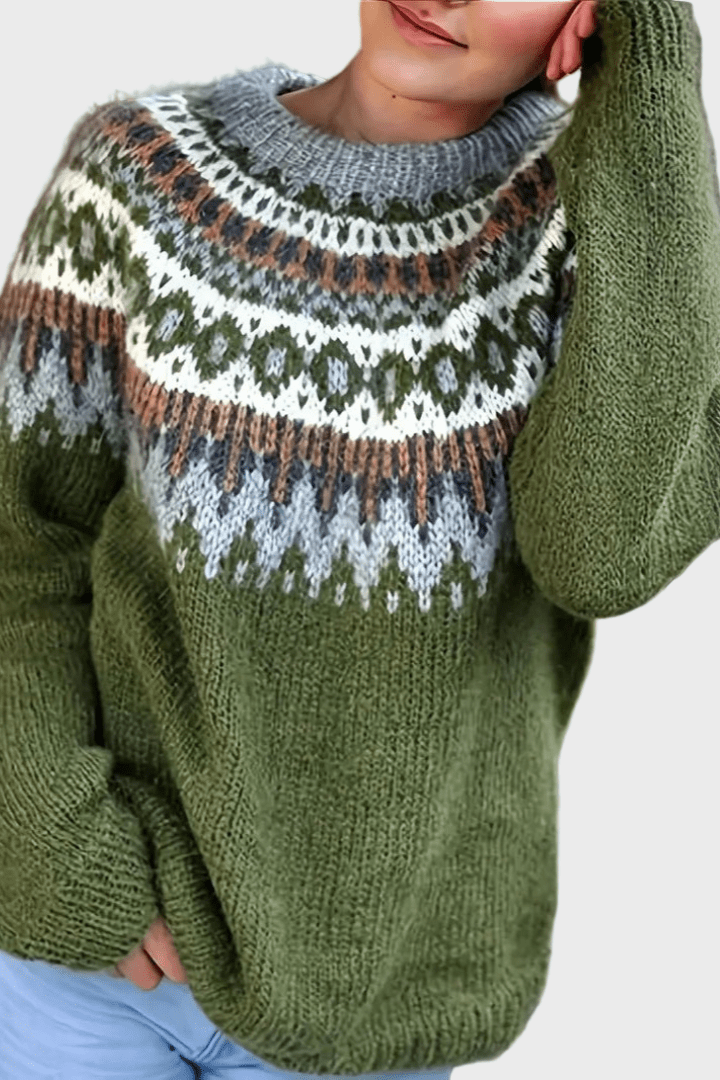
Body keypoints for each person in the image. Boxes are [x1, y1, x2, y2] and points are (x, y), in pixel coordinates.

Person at [0, 1, 718, 1077]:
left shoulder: (600, 235)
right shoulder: (138, 168)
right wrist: (53, 845)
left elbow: (601, 553)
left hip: (373, 1003)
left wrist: (651, 71)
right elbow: (24, 539)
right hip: (92, 961)